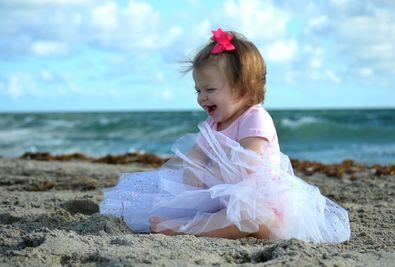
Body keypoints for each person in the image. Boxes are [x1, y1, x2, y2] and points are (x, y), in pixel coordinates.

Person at [100, 28, 351, 243]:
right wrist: (192, 171)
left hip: (263, 200)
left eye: (210, 89)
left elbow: (250, 166)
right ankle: (191, 222)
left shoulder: (255, 118)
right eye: (198, 90)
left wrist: (211, 175)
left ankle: (183, 229)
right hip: (222, 195)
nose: (201, 97)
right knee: (173, 196)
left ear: (243, 87)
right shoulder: (213, 123)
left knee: (252, 216)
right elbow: (196, 155)